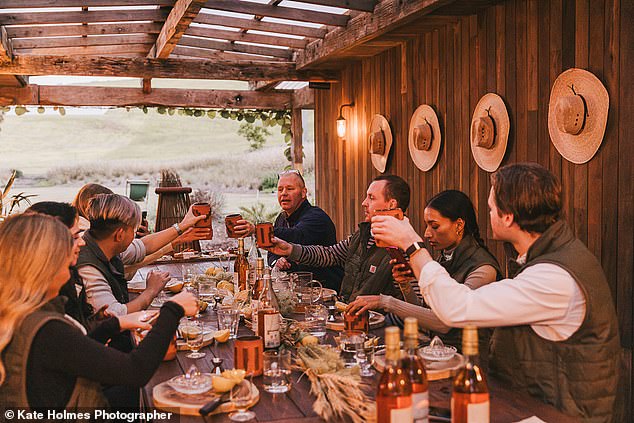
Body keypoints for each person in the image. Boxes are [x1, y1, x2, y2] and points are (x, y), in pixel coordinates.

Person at [370, 163, 620, 421]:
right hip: (529, 406)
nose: (488, 214)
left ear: (508, 217)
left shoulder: (555, 278)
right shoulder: (551, 258)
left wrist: (411, 245)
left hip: (557, 416)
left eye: (491, 208)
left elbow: (455, 309)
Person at [0, 213, 198, 411]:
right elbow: (134, 371)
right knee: (158, 395)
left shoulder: (26, 315)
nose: (75, 262)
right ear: (43, 265)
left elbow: (76, 351)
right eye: (67, 259)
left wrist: (116, 324)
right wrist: (173, 309)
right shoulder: (46, 329)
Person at [347, 190, 501, 350]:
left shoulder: (484, 268)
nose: (427, 234)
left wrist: (385, 302)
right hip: (437, 349)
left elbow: (443, 322)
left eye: (434, 226)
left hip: (466, 357)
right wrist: (405, 284)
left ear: (459, 225)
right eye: (426, 225)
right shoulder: (445, 257)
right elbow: (424, 314)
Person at [263, 175, 410, 302]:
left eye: (371, 198)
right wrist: (290, 249)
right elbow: (329, 255)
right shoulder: (362, 235)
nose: (364, 202)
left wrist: (382, 303)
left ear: (392, 204)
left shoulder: (406, 246)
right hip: (347, 314)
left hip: (379, 328)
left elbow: (414, 304)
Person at [77, 194, 207, 318]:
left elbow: (145, 246)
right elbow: (116, 316)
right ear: (120, 235)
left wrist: (182, 226)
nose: (134, 236)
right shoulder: (88, 269)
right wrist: (151, 290)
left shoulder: (103, 243)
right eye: (133, 230)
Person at [233, 170, 343, 290]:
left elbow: (296, 235)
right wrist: (277, 261)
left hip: (323, 289)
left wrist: (256, 230)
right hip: (293, 288)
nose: (284, 193)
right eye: (280, 190)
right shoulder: (281, 218)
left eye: (290, 189)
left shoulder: (316, 217)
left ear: (303, 192)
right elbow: (271, 252)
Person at [25, 201, 95, 328]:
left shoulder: (70, 275)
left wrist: (97, 322)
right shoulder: (39, 313)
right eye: (74, 237)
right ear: (49, 243)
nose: (82, 243)